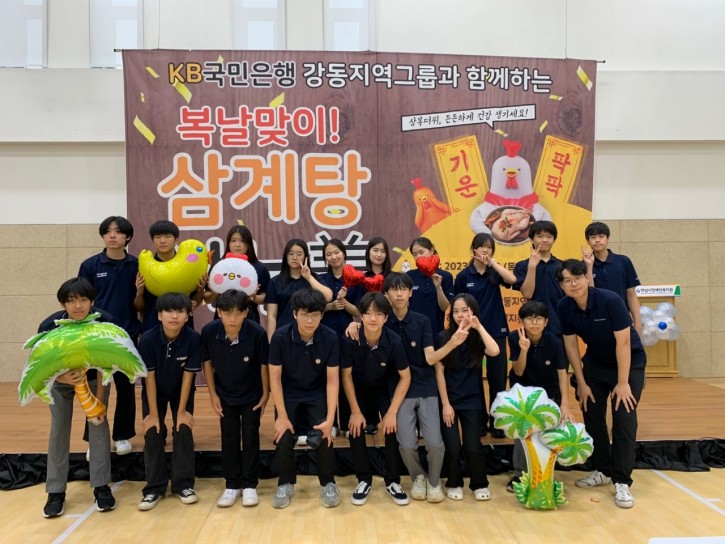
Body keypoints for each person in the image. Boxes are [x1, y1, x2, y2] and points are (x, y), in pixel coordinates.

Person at [557, 259, 646, 509]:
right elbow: (571, 345)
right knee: (591, 412)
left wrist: (623, 382)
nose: (573, 284)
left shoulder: (610, 300)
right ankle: (603, 470)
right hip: (596, 363)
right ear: (561, 285)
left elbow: (624, 343)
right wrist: (582, 382)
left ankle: (622, 481)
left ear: (587, 278)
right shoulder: (564, 306)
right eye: (567, 280)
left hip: (628, 362)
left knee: (623, 417)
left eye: (577, 278)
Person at [349, 272, 445, 503]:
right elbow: (346, 374)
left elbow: (422, 363)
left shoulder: (414, 324)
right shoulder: (376, 322)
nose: (399, 294)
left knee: (417, 437)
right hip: (378, 388)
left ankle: (414, 481)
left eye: (404, 289)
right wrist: (354, 323)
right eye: (394, 289)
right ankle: (381, 479)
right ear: (386, 294)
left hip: (407, 385)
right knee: (373, 433)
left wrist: (453, 342)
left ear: (411, 292)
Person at [39, 278, 116, 517]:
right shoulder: (49, 326)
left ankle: (101, 486)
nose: (78, 306)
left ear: (92, 301)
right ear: (63, 304)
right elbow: (39, 362)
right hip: (60, 380)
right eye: (72, 301)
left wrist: (99, 401)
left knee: (98, 425)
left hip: (94, 378)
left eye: (83, 300)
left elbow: (107, 364)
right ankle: (55, 491)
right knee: (59, 429)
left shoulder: (104, 322)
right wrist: (61, 378)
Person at [268, 289, 341, 509]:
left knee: (324, 434)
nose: (310, 320)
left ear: (322, 315)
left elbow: (332, 380)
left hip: (316, 392)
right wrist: (281, 415)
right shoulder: (280, 337)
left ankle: (328, 483)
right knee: (283, 435)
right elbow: (275, 379)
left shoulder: (330, 337)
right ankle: (285, 483)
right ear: (294, 314)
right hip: (288, 393)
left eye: (315, 315)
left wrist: (331, 418)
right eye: (304, 315)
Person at [78, 215, 142, 455]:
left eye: (118, 231)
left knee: (126, 388)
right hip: (97, 337)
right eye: (108, 231)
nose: (112, 235)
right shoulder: (90, 266)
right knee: (96, 389)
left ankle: (123, 435)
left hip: (127, 335)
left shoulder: (137, 265)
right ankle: (94, 439)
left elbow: (140, 304)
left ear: (128, 236)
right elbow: (81, 301)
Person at [341, 292, 411, 506]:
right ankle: (363, 479)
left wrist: (391, 413)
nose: (373, 318)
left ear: (386, 318)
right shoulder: (350, 338)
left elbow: (406, 376)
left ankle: (393, 480)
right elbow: (346, 376)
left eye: (379, 314)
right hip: (357, 389)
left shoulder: (393, 340)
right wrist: (355, 411)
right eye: (368, 313)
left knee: (391, 428)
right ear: (361, 316)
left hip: (384, 388)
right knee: (355, 428)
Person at [201, 289, 269, 508]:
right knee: (229, 436)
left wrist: (266, 394)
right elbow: (207, 363)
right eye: (228, 313)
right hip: (224, 394)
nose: (233, 318)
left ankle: (249, 485)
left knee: (250, 436)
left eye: (238, 313)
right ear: (219, 312)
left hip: (252, 394)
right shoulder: (209, 332)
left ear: (246, 313)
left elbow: (264, 365)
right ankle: (231, 485)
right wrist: (213, 394)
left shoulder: (257, 333)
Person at [431, 294, 500, 501]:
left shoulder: (477, 336)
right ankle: (454, 482)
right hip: (449, 400)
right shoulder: (443, 337)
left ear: (473, 311)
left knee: (473, 446)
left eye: (464, 310)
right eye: (455, 311)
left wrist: (478, 326)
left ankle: (479, 483)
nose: (460, 315)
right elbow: (439, 372)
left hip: (472, 400)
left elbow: (495, 351)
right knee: (452, 447)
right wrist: (445, 404)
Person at [137, 292, 202, 511]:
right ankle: (154, 488)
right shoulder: (147, 339)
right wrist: (153, 415)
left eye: (180, 311)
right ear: (159, 315)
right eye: (169, 311)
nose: (174, 316)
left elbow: (189, 377)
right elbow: (149, 378)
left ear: (188, 315)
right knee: (153, 431)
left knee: (183, 429)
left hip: (181, 391)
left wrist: (182, 411)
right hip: (154, 391)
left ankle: (183, 485)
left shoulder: (193, 338)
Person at [453, 233, 516, 438]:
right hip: (472, 333)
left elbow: (512, 279)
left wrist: (492, 263)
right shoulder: (464, 276)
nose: (485, 250)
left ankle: (498, 421)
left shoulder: (494, 272)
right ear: (474, 249)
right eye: (482, 246)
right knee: (474, 378)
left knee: (498, 378)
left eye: (489, 247)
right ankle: (479, 422)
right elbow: (457, 306)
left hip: (496, 331)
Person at [506, 300, 571, 492]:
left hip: (548, 393)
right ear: (521, 321)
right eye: (529, 319)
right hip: (522, 393)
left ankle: (545, 473)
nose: (534, 323)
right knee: (522, 433)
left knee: (548, 433)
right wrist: (524, 350)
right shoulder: (514, 338)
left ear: (546, 321)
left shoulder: (555, 342)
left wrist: (565, 403)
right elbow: (518, 371)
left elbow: (562, 373)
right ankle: (520, 475)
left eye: (539, 319)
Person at [319, 239, 362, 438]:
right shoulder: (321, 280)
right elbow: (314, 307)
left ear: (344, 253)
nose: (333, 257)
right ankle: (330, 422)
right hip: (324, 336)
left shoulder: (355, 278)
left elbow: (359, 311)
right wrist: (330, 306)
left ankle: (345, 423)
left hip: (347, 335)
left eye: (336, 252)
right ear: (325, 258)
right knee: (326, 380)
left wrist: (343, 302)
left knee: (346, 377)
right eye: (329, 254)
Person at [138, 220, 206, 334]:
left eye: (167, 236)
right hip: (152, 328)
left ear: (176, 239)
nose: (162, 241)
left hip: (183, 329)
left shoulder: (188, 265)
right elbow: (139, 307)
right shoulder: (146, 266)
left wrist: (200, 290)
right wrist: (139, 292)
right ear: (153, 240)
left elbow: (196, 303)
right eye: (157, 237)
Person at [265, 238, 333, 341]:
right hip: (283, 335)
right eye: (291, 254)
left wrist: (308, 277)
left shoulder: (313, 278)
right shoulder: (275, 282)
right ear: (286, 256)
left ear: (306, 257)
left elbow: (328, 297)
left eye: (299, 254)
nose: (295, 257)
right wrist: (271, 341)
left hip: (310, 335)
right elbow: (271, 316)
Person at [582, 221, 642, 334]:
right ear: (587, 241)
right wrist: (589, 266)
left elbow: (631, 294)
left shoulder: (623, 261)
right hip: (597, 321)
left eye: (601, 236)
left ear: (608, 238)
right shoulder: (583, 265)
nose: (597, 240)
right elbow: (589, 293)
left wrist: (638, 324)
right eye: (593, 237)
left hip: (623, 319)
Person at [205, 225, 270, 324]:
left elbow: (265, 297)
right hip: (222, 321)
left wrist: (253, 297)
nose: (237, 245)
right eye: (233, 240)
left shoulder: (259, 268)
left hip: (249, 320)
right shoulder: (219, 267)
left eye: (242, 241)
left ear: (249, 244)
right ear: (228, 243)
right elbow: (207, 299)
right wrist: (215, 292)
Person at [512, 220, 565, 337]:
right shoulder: (522, 266)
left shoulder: (562, 266)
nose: (545, 240)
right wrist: (532, 267)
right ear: (531, 239)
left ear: (554, 240)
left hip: (559, 323)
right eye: (540, 236)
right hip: (533, 325)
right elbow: (527, 294)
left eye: (549, 236)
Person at [407, 237, 453, 338]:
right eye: (415, 254)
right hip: (413, 331)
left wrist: (438, 287)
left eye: (421, 252)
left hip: (436, 331)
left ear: (431, 251)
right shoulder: (409, 276)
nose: (418, 257)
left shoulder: (445, 276)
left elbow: (444, 307)